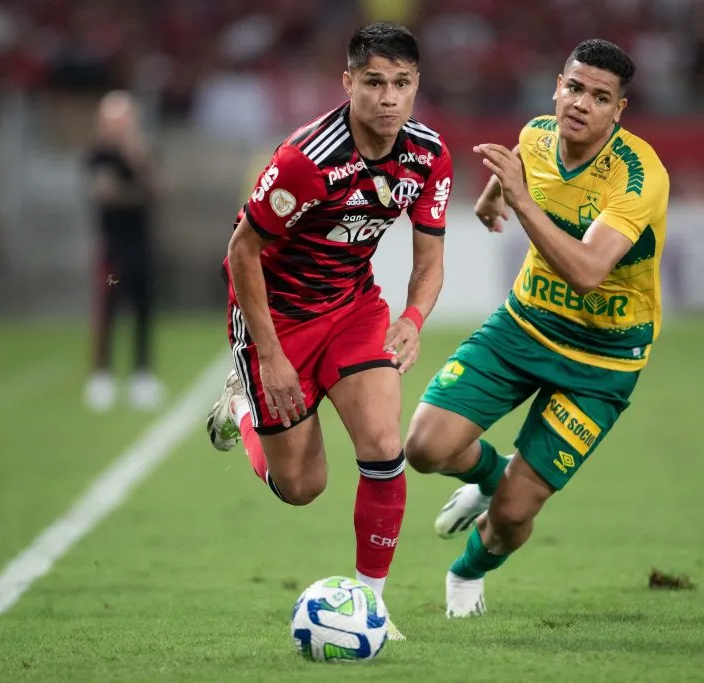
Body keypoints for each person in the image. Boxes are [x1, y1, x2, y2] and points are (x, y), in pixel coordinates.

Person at [402, 39, 670, 617]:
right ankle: (489, 473)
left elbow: (589, 272)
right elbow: (516, 176)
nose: (581, 104)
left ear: (618, 111)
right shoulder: (536, 135)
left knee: (514, 515)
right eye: (575, 88)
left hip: (604, 359)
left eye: (601, 97)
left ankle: (467, 572)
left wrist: (518, 201)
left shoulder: (638, 175)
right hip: (524, 325)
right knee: (423, 447)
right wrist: (494, 199)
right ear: (557, 85)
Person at [205, 22, 452, 639]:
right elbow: (241, 253)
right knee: (303, 486)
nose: (389, 98)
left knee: (382, 445)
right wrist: (268, 356)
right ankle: (240, 404)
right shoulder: (306, 161)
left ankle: (372, 604)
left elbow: (429, 264)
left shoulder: (427, 156)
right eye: (374, 82)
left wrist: (413, 319)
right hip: (277, 317)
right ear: (348, 84)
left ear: (417, 85)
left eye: (401, 83)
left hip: (351, 307)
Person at [84, 91, 165, 412]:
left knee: (144, 308)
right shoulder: (98, 155)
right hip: (112, 245)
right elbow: (106, 193)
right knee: (107, 309)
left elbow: (159, 189)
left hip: (141, 243)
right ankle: (101, 374)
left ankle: (142, 374)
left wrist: (137, 160)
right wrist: (138, 192)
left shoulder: (143, 152)